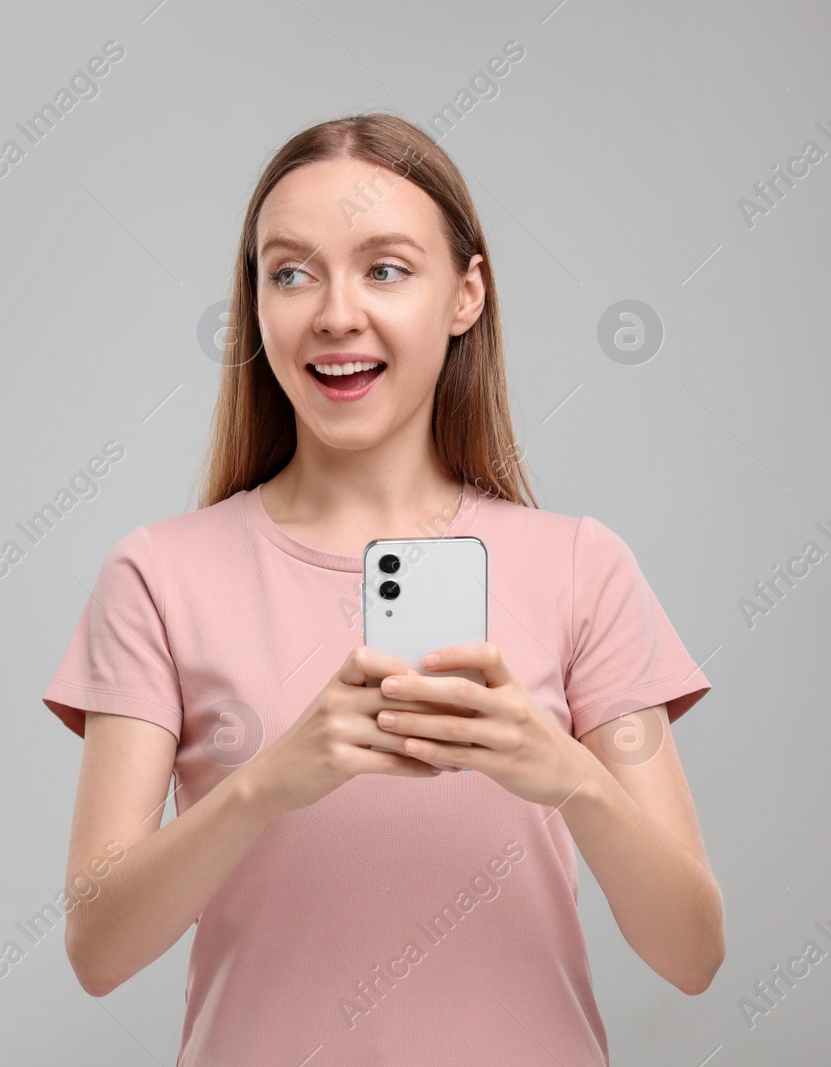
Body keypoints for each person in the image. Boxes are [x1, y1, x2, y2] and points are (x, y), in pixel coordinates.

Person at [39, 112, 722, 1065]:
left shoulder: (582, 567)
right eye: (291, 272)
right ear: (257, 305)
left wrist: (564, 774)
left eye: (386, 269)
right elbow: (96, 947)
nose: (334, 313)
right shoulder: (158, 575)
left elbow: (692, 952)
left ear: (465, 294)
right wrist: (268, 783)